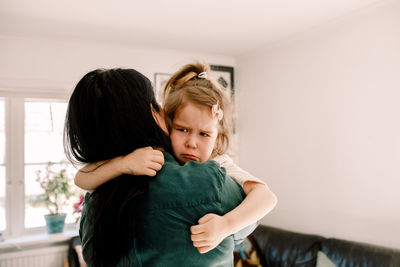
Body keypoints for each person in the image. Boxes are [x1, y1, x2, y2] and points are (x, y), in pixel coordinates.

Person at [74, 63, 278, 255]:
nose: (191, 143)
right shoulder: (155, 153)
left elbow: (267, 197)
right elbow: (81, 179)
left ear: (218, 139)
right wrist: (124, 163)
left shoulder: (219, 163)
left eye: (204, 134)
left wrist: (226, 225)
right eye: (182, 129)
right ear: (167, 124)